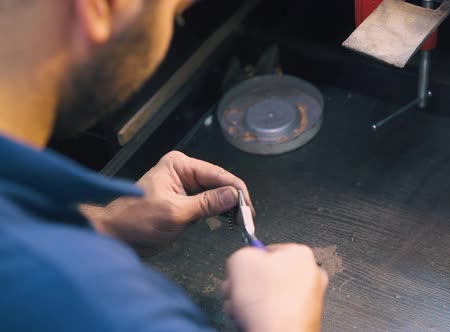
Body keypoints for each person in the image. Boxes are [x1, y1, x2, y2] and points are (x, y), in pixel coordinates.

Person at [0, 1, 328, 331]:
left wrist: (106, 225)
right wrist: (287, 321)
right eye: (172, 13)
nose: (171, 26)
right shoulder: (110, 307)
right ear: (101, 7)